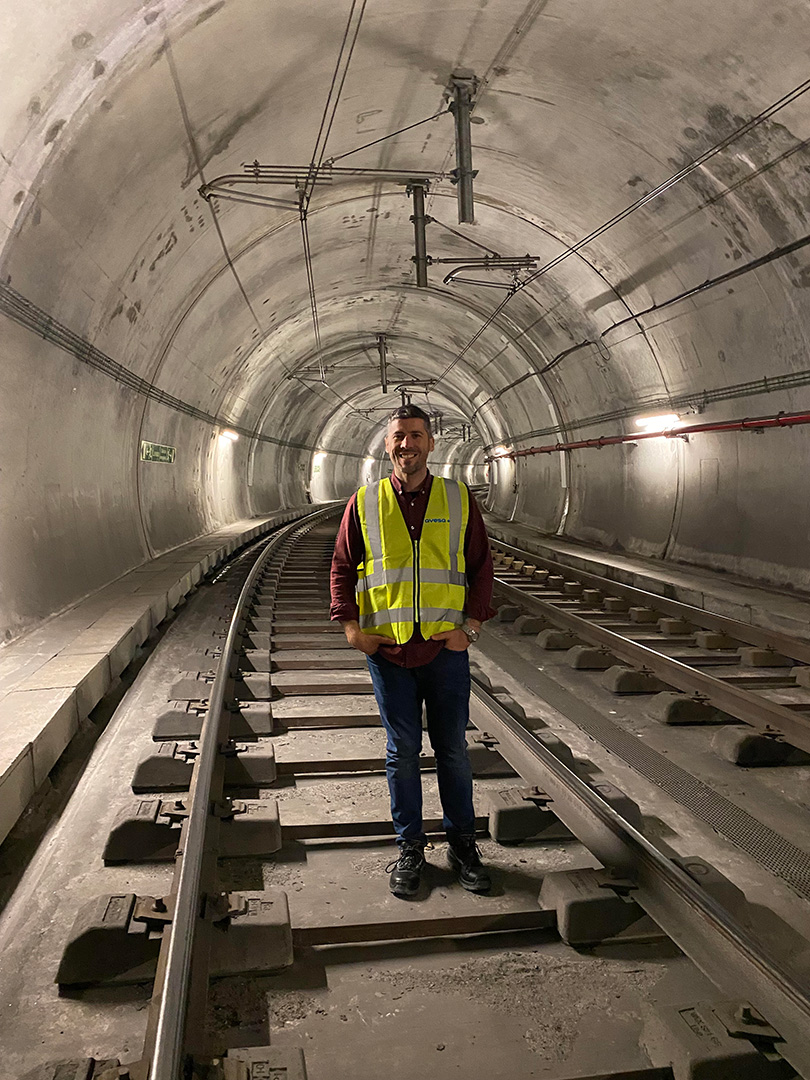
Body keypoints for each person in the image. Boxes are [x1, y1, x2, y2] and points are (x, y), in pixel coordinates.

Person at [330, 404, 495, 899]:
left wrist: (473, 626)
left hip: (445, 652)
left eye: (417, 435)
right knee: (402, 753)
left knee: (452, 750)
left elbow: (481, 564)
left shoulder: (458, 497)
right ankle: (410, 848)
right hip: (390, 654)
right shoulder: (365, 501)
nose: (408, 445)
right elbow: (342, 566)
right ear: (387, 445)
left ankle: (463, 844)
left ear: (431, 443)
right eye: (399, 436)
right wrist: (352, 631)